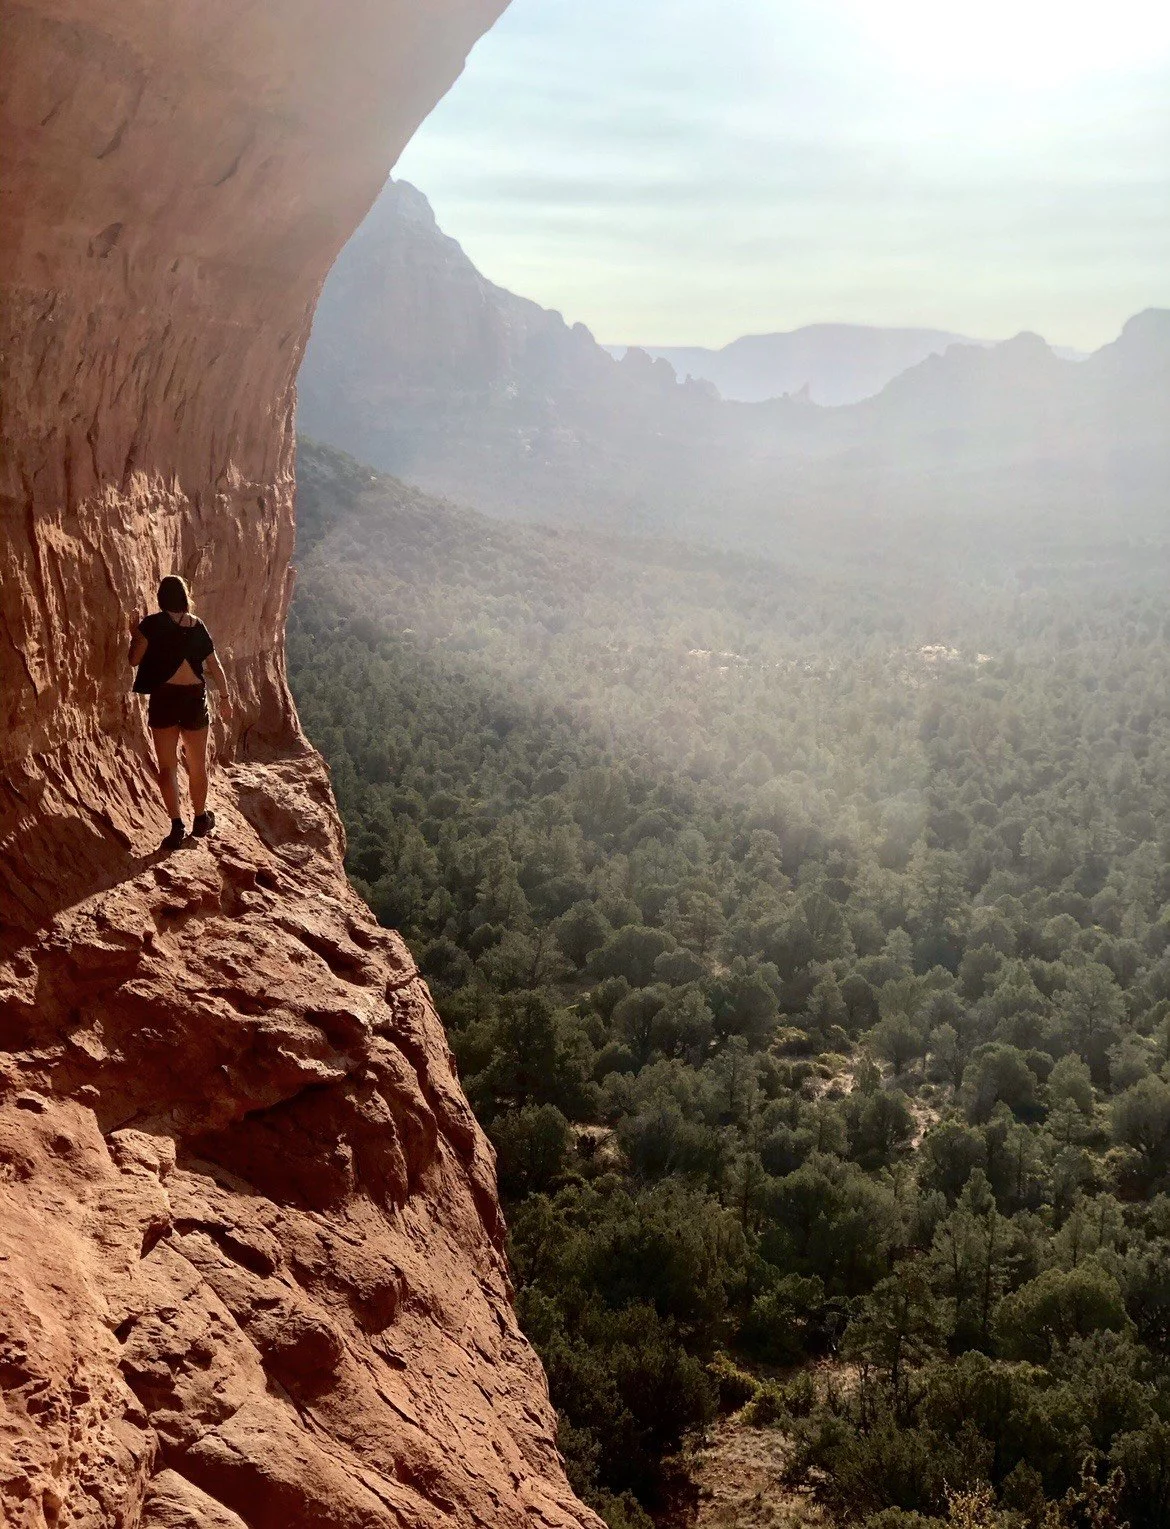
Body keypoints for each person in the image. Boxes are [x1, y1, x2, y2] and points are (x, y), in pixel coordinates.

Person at [129, 575, 232, 849]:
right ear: (185, 597)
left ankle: (176, 825)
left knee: (167, 766)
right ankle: (200, 818)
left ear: (162, 597)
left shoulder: (151, 624)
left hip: (164, 697)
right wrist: (225, 696)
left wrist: (134, 634)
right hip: (193, 698)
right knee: (197, 764)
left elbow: (134, 660)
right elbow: (215, 665)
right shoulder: (197, 625)